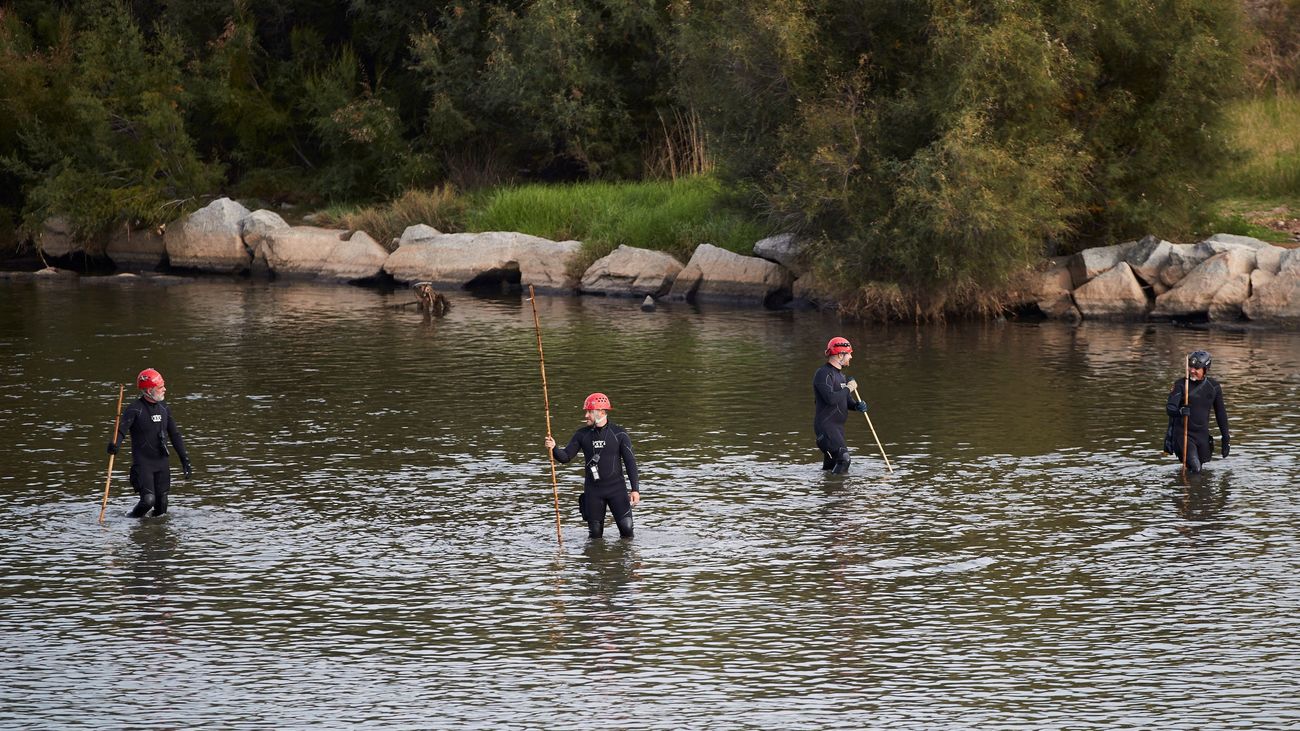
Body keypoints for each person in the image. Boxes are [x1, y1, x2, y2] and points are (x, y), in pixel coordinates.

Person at [544, 392, 640, 538]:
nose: (586, 415)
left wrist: (635, 490)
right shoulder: (582, 434)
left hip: (617, 490)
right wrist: (554, 447)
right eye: (586, 411)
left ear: (601, 412)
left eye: (589, 411)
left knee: (627, 530)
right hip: (593, 491)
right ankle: (596, 560)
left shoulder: (619, 434)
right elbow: (565, 457)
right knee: (595, 535)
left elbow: (630, 462)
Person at [107, 368, 192, 517]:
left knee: (162, 506)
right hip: (143, 463)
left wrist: (184, 459)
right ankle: (130, 520)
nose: (165, 389)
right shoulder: (135, 409)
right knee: (148, 500)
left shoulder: (164, 408)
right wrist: (115, 445)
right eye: (160, 387)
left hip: (162, 462)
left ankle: (153, 535)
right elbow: (121, 431)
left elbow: (175, 434)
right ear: (148, 390)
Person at [1164, 350, 1229, 475]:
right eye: (1190, 367)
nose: (1192, 370)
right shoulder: (1180, 385)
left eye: (1196, 368)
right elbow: (1170, 408)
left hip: (1202, 436)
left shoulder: (1214, 387)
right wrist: (1180, 411)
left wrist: (1226, 439)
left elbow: (1220, 413)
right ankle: (1190, 491)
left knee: (1199, 469)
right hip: (1183, 434)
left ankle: (1193, 491)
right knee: (1196, 468)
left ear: (1205, 369)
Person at [814, 337, 868, 474]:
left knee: (830, 467)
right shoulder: (823, 374)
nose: (851, 356)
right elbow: (830, 399)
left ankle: (828, 491)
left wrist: (857, 406)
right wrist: (849, 388)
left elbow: (845, 400)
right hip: (826, 428)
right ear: (840, 355)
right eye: (848, 353)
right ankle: (839, 492)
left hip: (837, 429)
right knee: (844, 459)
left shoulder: (841, 377)